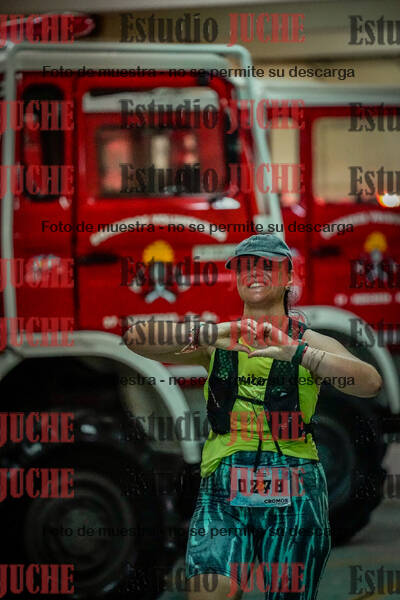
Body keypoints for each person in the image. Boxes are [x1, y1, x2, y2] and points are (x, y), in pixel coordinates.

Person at [123, 233, 382, 600]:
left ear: (288, 277)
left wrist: (298, 352)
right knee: (209, 593)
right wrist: (214, 332)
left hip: (296, 487)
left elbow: (370, 383)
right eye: (245, 266)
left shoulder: (310, 342)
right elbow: (135, 338)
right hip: (223, 487)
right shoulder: (216, 341)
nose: (254, 272)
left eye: (266, 265)